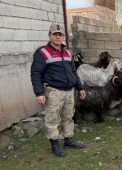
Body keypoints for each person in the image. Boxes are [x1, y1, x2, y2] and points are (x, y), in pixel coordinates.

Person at [30, 23, 86, 157]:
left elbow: (73, 71)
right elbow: (35, 73)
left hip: (69, 91)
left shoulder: (67, 52)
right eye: (55, 34)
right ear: (49, 35)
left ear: (63, 37)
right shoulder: (42, 53)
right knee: (52, 118)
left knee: (68, 116)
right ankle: (55, 144)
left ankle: (69, 140)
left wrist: (80, 87)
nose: (58, 37)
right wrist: (39, 93)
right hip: (54, 91)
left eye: (60, 35)